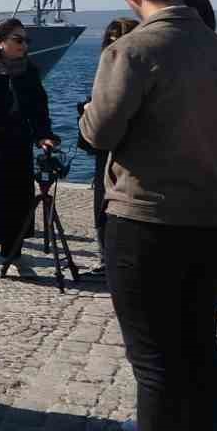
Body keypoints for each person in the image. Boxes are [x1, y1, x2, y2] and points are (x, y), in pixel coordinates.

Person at [80, 0, 217, 431]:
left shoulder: (132, 50)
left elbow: (100, 133)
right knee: (201, 346)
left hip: (147, 220)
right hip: (214, 220)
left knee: (155, 360)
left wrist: (85, 116)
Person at [0, 18, 57, 279]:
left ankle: (13, 251)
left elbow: (39, 107)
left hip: (17, 143)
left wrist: (44, 135)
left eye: (26, 40)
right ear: (0, 41)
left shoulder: (29, 70)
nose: (24, 45)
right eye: (18, 39)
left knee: (18, 199)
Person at [76, 17, 138, 261]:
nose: (114, 45)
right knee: (102, 203)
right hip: (105, 151)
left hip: (129, 153)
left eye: (119, 39)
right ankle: (106, 255)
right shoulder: (105, 70)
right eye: (110, 41)